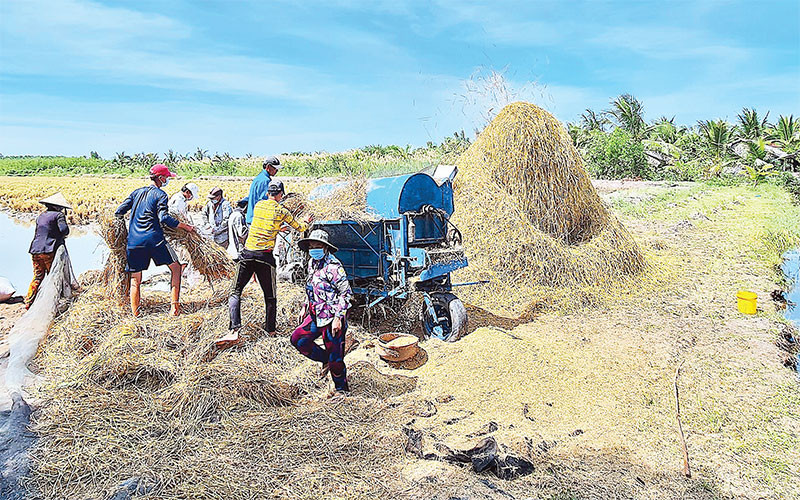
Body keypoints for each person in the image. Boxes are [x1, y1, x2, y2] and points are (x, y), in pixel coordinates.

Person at [216, 180, 310, 347]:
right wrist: (307, 221)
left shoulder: (259, 206)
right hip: (264, 257)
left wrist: (276, 228)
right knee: (270, 296)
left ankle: (234, 330)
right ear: (280, 194)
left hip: (247, 254)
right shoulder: (282, 211)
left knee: (235, 291)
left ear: (268, 194)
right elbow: (300, 227)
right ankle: (271, 330)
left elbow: (262, 223)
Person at [115, 164, 195, 317]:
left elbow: (119, 212)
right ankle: (174, 309)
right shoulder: (160, 195)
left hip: (134, 242)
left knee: (135, 279)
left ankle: (135, 315)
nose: (167, 180)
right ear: (160, 178)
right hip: (154, 240)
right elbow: (164, 218)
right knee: (176, 268)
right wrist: (185, 226)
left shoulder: (136, 193)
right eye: (167, 177)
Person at [290, 229, 353, 394]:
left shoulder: (334, 267)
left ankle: (342, 391)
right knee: (298, 340)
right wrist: (305, 305)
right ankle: (324, 359)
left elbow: (345, 294)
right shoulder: (312, 263)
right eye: (311, 246)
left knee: (336, 359)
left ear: (325, 248)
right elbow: (312, 286)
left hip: (331, 318)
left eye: (318, 245)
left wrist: (339, 318)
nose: (314, 249)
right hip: (315, 314)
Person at [25, 192, 72, 309]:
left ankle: (28, 301)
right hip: (49, 251)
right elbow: (64, 230)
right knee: (54, 276)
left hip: (35, 250)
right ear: (57, 206)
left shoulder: (41, 216)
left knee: (38, 276)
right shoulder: (58, 215)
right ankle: (54, 302)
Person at [246, 156, 281, 225]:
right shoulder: (265, 180)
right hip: (257, 220)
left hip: (252, 218)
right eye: (275, 168)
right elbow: (265, 202)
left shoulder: (259, 178)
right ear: (268, 167)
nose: (276, 171)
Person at [226, 197, 249, 261]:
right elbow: (241, 233)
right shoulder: (239, 216)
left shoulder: (233, 214)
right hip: (237, 251)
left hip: (232, 249)